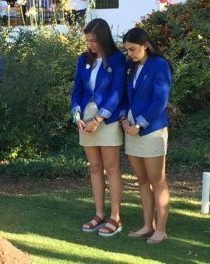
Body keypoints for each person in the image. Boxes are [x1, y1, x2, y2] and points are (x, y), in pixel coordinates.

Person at [71, 18, 125, 237]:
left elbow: (116, 92)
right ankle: (99, 214)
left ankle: (115, 217)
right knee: (94, 168)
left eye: (93, 40)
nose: (90, 45)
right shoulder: (83, 60)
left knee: (111, 169)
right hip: (85, 120)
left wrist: (99, 120)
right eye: (87, 40)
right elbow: (77, 90)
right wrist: (76, 114)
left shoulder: (118, 59)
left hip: (107, 121)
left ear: (103, 38)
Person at [121, 27, 172, 244]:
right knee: (142, 181)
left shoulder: (159, 65)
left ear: (145, 45)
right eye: (127, 50)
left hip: (151, 130)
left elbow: (159, 101)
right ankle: (147, 225)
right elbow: (126, 96)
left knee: (157, 181)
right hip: (130, 130)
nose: (130, 54)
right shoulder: (131, 67)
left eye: (133, 49)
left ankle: (161, 229)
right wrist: (124, 119)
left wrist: (139, 125)